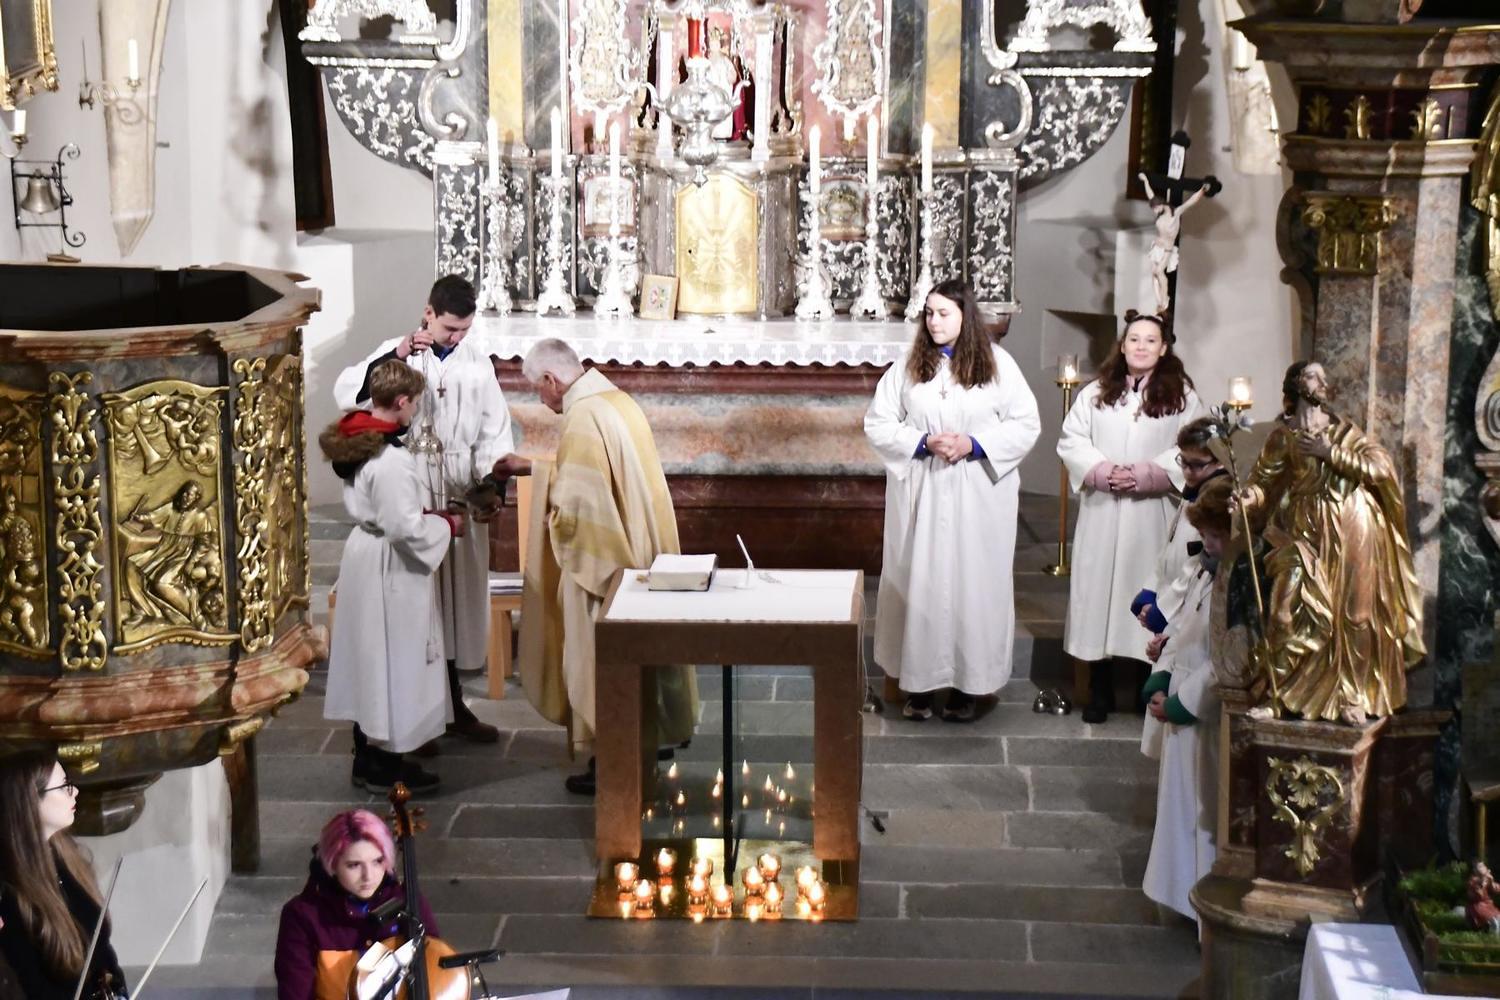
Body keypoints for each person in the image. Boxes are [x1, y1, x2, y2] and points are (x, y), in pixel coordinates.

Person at [508, 338, 699, 794]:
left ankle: (614, 761)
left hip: (606, 562)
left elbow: (579, 509)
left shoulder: (582, 418)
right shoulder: (615, 400)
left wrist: (552, 513)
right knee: (644, 656)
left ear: (552, 380)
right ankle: (650, 739)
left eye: (538, 389)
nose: (541, 399)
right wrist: (532, 469)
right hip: (641, 545)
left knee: (598, 658)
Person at [334, 275, 515, 746]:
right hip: (409, 487)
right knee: (417, 609)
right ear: (428, 313)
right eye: (449, 328)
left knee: (453, 607)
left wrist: (491, 484)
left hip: (456, 490)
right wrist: (396, 354)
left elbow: (493, 431)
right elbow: (349, 394)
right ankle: (419, 716)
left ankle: (453, 705)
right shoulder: (395, 354)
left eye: (464, 330)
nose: (456, 338)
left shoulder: (478, 364)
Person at [864, 279, 1041, 721]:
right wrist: (922, 442)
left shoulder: (997, 364)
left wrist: (974, 444)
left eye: (944, 313)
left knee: (971, 584)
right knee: (920, 584)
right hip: (922, 492)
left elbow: (1025, 423)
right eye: (929, 313)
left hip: (976, 492)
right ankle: (919, 685)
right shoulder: (909, 364)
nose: (934, 321)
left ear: (966, 315)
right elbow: (878, 422)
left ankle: (969, 686)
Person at [1235, 361, 1424, 724]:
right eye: (1313, 376)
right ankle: (1279, 696)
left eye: (1324, 376)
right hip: (1305, 532)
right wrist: (1248, 497)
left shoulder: (1344, 432)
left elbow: (1380, 469)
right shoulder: (1283, 437)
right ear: (1296, 385)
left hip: (1354, 525)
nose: (1323, 382)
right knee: (1285, 612)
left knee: (1356, 614)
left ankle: (1353, 696)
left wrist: (1330, 453)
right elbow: (1262, 482)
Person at [320, 361, 464, 793]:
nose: (415, 410)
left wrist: (421, 515)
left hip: (365, 553)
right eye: (415, 403)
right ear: (401, 402)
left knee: (369, 657)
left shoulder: (357, 440)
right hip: (391, 564)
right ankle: (387, 764)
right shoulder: (390, 458)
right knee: (393, 658)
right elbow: (404, 529)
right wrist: (446, 525)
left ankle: (365, 758)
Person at [1057, 311, 1204, 724]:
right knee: (1098, 596)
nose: (1141, 346)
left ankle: (1144, 685)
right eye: (1134, 339)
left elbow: (1192, 445)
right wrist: (1104, 471)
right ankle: (1099, 690)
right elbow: (1072, 440)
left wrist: (1144, 474)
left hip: (1150, 511)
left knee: (1147, 592)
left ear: (1164, 348)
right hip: (1103, 509)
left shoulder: (1182, 397)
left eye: (1150, 340)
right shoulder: (1095, 393)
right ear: (1122, 346)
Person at [1141, 478, 1233, 928]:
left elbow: (1226, 661)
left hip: (1205, 717)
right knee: (1177, 809)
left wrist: (1182, 703)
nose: (1208, 544)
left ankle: (1201, 905)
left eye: (1216, 536)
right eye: (1206, 536)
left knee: (1202, 811)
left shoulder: (1238, 587)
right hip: (1180, 701)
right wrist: (1161, 675)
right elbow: (1183, 630)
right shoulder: (1205, 572)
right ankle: (1179, 895)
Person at [1132, 416, 1226, 757]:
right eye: (1182, 462)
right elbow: (1172, 546)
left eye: (1196, 464)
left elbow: (1195, 565)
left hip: (1190, 617)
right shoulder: (1192, 493)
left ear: (1220, 460)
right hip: (1176, 623)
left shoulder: (1217, 502)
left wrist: (1164, 610)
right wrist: (1150, 590)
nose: (1187, 471)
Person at [0, 749, 126, 1000]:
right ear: (30, 801)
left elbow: (99, 945)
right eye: (64, 786)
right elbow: (31, 988)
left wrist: (117, 988)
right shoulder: (9, 891)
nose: (75, 791)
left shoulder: (65, 855)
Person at [274, 809, 439, 1000]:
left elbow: (434, 969)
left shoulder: (409, 901)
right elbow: (296, 993)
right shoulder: (302, 915)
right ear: (332, 864)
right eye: (354, 865)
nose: (368, 876)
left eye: (377, 861)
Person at [1137, 174, 1211, 314]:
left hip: (1167, 249)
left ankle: (1165, 300)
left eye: (1155, 208)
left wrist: (1202, 190)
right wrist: (1146, 180)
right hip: (1157, 246)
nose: (1154, 211)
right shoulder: (1159, 214)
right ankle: (1159, 302)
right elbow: (1150, 194)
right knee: (1154, 274)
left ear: (1161, 205)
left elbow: (1190, 202)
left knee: (1160, 271)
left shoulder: (1175, 213)